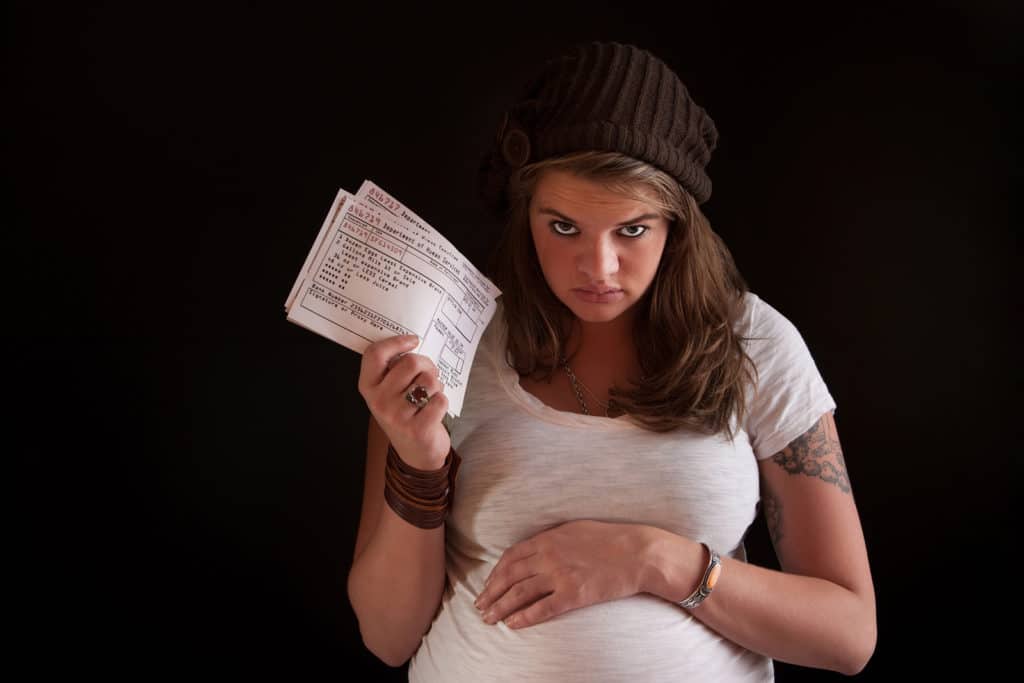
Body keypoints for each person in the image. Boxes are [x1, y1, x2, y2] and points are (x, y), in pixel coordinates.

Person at [347, 41, 876, 681]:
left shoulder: (755, 344)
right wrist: (419, 464)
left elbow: (848, 635)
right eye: (563, 227)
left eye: (632, 229)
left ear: (676, 226)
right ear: (526, 216)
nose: (598, 269)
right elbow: (386, 636)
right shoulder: (448, 347)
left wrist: (653, 559)